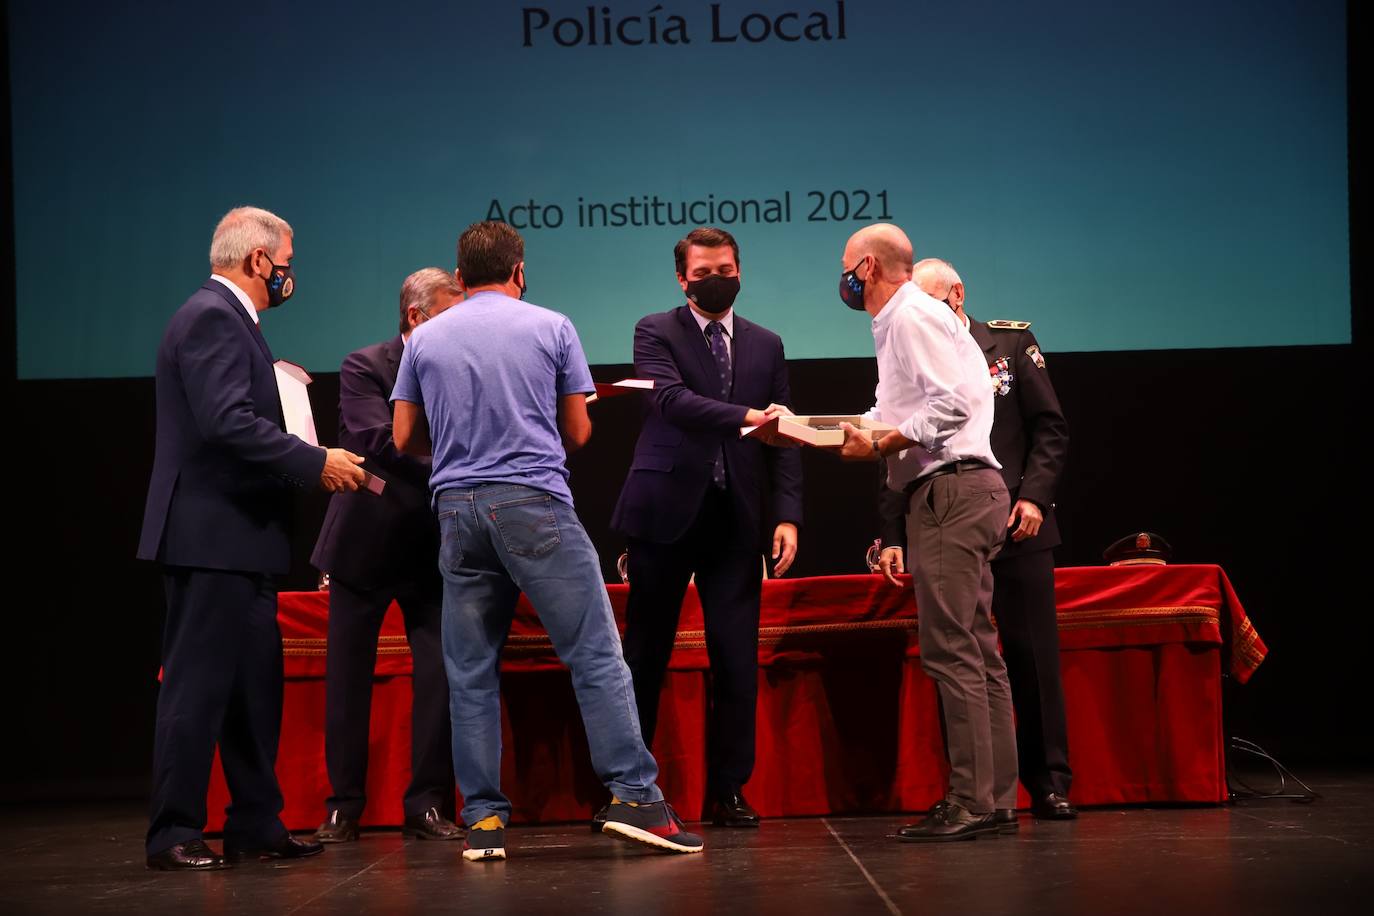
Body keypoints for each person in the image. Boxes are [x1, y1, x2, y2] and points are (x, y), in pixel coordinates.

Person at [392, 220, 703, 860]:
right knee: (594, 654)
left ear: (461, 272)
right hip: (533, 504)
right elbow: (579, 432)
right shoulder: (551, 326)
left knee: (471, 670)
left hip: (455, 512)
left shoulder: (424, 340)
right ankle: (636, 797)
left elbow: (402, 440)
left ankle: (481, 820)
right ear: (519, 269)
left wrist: (458, 453)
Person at [138, 206, 367, 870]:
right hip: (210, 539)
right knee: (196, 689)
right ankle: (173, 832)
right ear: (259, 259)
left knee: (250, 691)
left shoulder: (233, 319)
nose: (291, 271)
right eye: (287, 258)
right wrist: (313, 460)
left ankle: (254, 825)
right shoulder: (213, 315)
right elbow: (225, 422)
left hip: (243, 540)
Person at [609, 226, 803, 828]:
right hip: (664, 514)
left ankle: (728, 791)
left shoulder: (766, 343)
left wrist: (788, 515)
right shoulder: (655, 330)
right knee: (644, 657)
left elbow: (785, 439)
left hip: (737, 519)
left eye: (726, 268)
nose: (716, 278)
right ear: (682, 278)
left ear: (740, 269)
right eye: (703, 272)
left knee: (736, 660)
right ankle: (628, 791)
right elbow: (669, 401)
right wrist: (749, 416)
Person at [835, 224, 1016, 842]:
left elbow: (949, 409)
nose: (843, 280)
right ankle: (994, 799)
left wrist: (880, 443)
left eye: (846, 268)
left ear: (866, 266)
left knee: (951, 649)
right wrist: (814, 429)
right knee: (977, 646)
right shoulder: (899, 322)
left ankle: (971, 799)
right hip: (964, 491)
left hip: (952, 494)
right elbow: (892, 410)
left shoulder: (910, 315)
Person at [886, 258, 1076, 820]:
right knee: (965, 653)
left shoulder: (1008, 345)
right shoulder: (914, 349)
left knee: (1028, 656)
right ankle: (980, 791)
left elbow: (1050, 427)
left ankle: (1047, 782)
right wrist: (891, 532)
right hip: (946, 515)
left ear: (957, 293)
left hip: (1017, 518)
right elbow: (899, 449)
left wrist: (1034, 497)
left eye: (927, 300)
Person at [311, 268, 466, 844]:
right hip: (364, 542)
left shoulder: (462, 364)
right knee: (348, 677)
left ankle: (426, 803)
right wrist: (462, 463)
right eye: (452, 317)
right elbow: (378, 441)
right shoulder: (365, 365)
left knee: (440, 679)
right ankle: (343, 806)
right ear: (416, 318)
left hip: (434, 544)